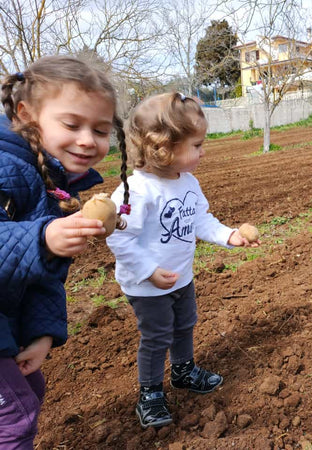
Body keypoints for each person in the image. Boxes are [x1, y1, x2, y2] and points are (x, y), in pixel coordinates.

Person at [106, 92, 259, 429]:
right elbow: (118, 236)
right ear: (163, 148)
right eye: (197, 145)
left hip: (181, 277)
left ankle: (183, 371)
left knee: (185, 324)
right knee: (157, 336)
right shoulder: (137, 190)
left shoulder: (188, 182)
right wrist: (149, 272)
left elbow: (200, 219)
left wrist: (229, 235)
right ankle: (149, 393)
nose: (203, 151)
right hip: (147, 285)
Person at [0, 55, 129, 449]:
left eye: (101, 130)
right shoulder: (6, 167)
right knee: (14, 415)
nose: (88, 140)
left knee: (29, 387)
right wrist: (42, 238)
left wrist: (41, 334)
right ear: (26, 115)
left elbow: (44, 273)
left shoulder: (54, 183)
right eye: (72, 125)